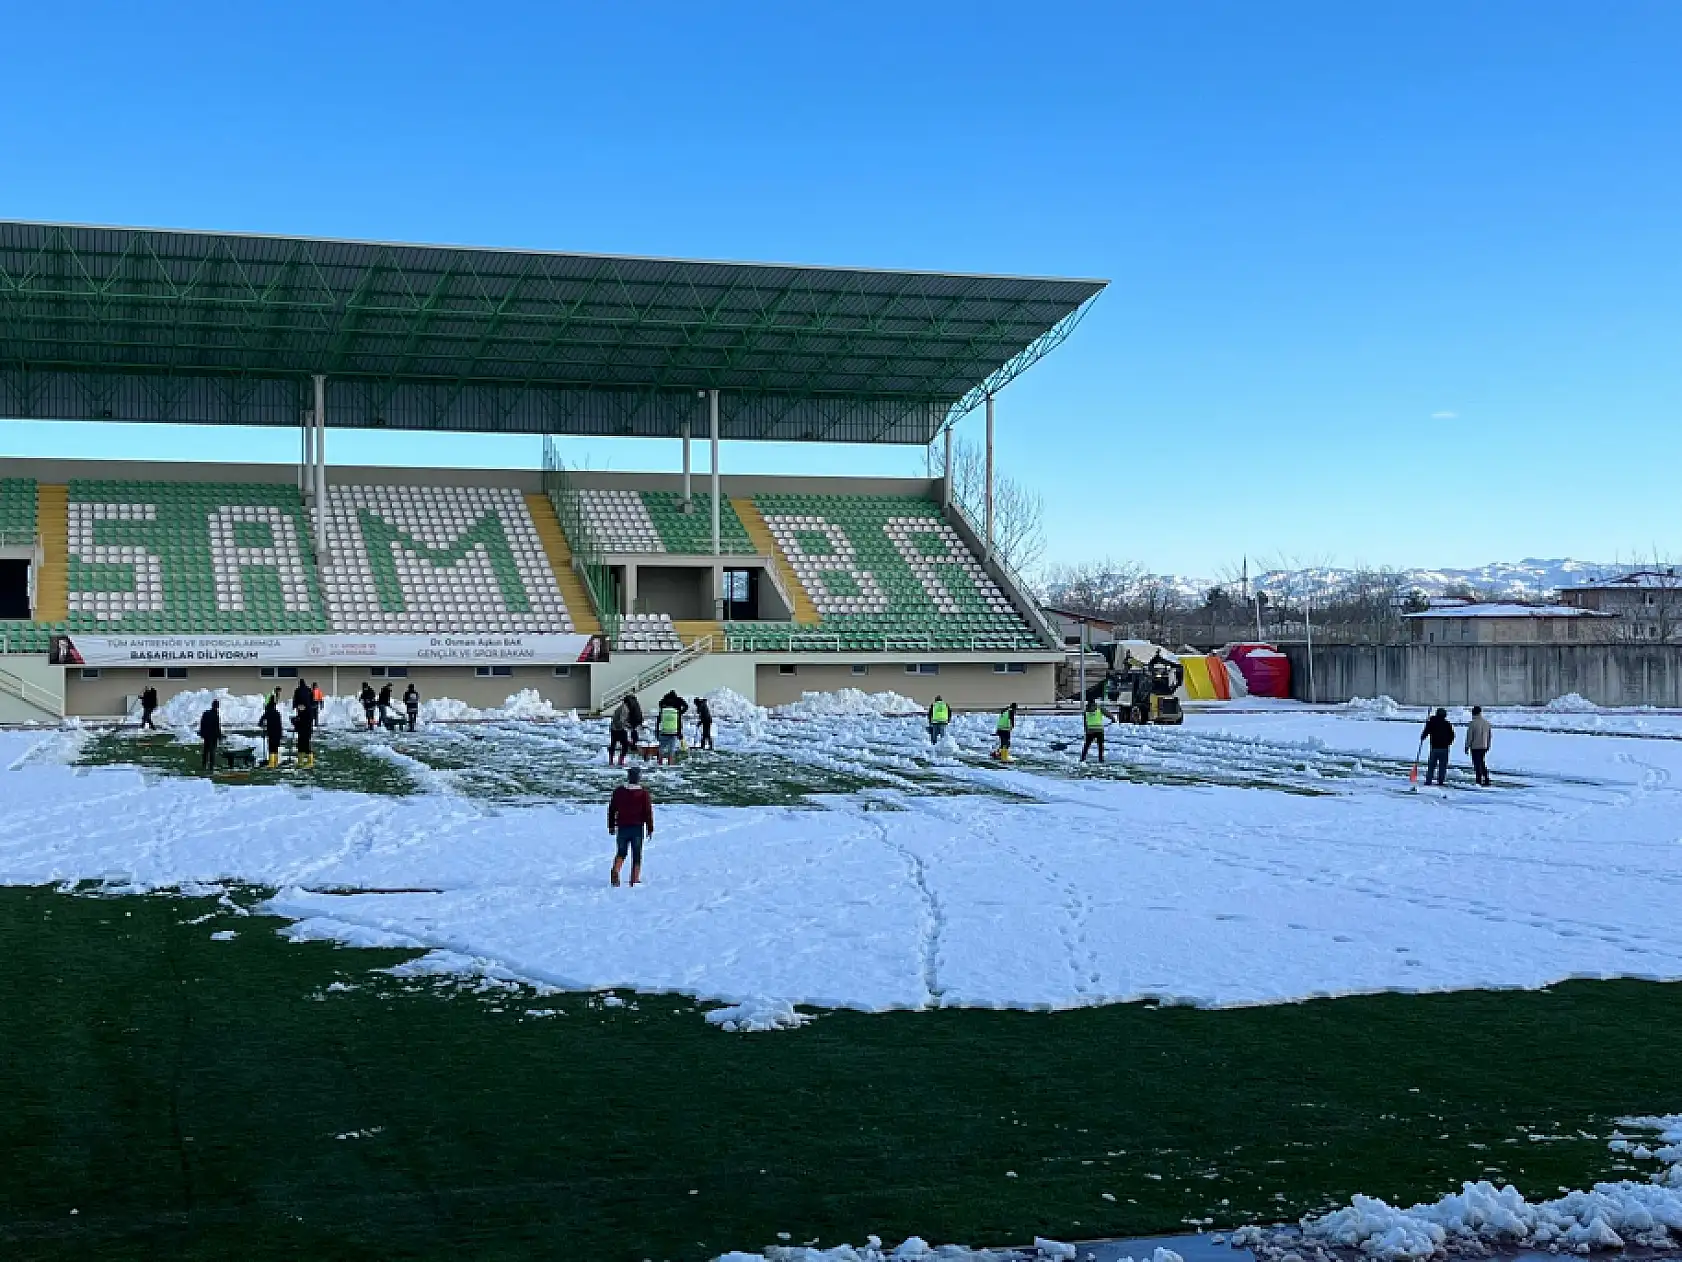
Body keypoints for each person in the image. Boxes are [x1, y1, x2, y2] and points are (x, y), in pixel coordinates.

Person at [607, 766, 654, 887]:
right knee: (637, 853)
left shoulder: (619, 792)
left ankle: (616, 869)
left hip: (622, 826)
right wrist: (650, 828)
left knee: (621, 851)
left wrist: (611, 825)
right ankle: (634, 879)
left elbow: (612, 809)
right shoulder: (643, 794)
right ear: (639, 778)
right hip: (637, 827)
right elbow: (648, 812)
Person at [1421, 706, 1455, 786]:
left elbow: (1426, 732)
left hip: (1434, 747)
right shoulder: (1447, 724)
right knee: (1442, 766)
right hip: (1444, 748)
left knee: (1431, 765)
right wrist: (1448, 743)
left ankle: (1428, 780)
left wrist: (1423, 737)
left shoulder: (1431, 723)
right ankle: (1440, 781)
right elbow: (1452, 735)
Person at [1466, 705, 1493, 787]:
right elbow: (1489, 736)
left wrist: (1467, 746)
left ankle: (1479, 779)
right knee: (1482, 761)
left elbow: (1470, 736)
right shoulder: (1486, 723)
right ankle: (1486, 778)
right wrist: (1488, 745)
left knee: (1477, 763)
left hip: (1475, 746)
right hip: (1484, 746)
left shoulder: (1472, 723)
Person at [292, 685, 317, 768]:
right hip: (302, 732)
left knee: (306, 746)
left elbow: (303, 722)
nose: (299, 708)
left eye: (300, 707)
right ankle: (300, 761)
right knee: (300, 746)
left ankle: (310, 761)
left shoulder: (307, 712)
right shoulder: (303, 711)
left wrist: (296, 722)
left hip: (305, 732)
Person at [656, 697, 683, 764]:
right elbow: (679, 723)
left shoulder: (662, 711)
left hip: (664, 732)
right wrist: (679, 733)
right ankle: (670, 763)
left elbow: (658, 722)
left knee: (661, 748)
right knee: (671, 750)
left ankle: (660, 762)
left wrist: (657, 732)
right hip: (673, 733)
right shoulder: (676, 712)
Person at [198, 698, 222, 772]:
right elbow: (217, 727)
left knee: (205, 750)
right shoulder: (216, 715)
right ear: (217, 707)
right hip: (213, 736)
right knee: (212, 751)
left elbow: (202, 724)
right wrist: (219, 736)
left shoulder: (206, 713)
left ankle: (204, 764)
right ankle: (211, 766)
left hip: (206, 735)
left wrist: (202, 733)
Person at [1081, 698, 1107, 763]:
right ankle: (1101, 759)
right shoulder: (1099, 708)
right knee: (1100, 745)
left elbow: (1085, 722)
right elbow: (1108, 714)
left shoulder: (1086, 711)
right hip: (1099, 730)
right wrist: (1113, 719)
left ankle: (1082, 758)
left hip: (1090, 730)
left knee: (1087, 745)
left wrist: (1086, 731)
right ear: (1094, 703)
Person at [261, 694, 284, 768]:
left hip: (271, 732)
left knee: (271, 747)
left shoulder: (267, 713)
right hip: (278, 732)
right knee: (276, 747)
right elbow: (280, 724)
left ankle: (271, 763)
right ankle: (275, 762)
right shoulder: (277, 713)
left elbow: (260, 722)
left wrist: (264, 726)